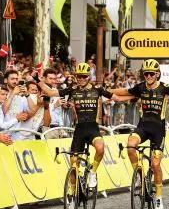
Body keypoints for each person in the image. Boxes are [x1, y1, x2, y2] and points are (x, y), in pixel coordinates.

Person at [110, 59, 169, 209]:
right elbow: (123, 93)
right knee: (130, 146)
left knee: (155, 164)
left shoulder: (165, 88)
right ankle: (138, 174)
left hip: (158, 130)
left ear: (157, 74)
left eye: (151, 74)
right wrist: (103, 91)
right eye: (146, 74)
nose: (149, 76)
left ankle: (158, 196)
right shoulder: (140, 87)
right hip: (143, 126)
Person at [39, 62, 115, 192]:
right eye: (78, 76)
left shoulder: (97, 89)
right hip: (79, 129)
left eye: (84, 77)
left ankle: (92, 173)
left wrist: (137, 93)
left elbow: (117, 97)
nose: (81, 79)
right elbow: (51, 93)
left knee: (100, 148)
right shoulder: (72, 89)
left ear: (89, 77)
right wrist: (38, 80)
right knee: (74, 164)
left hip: (93, 128)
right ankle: (72, 194)